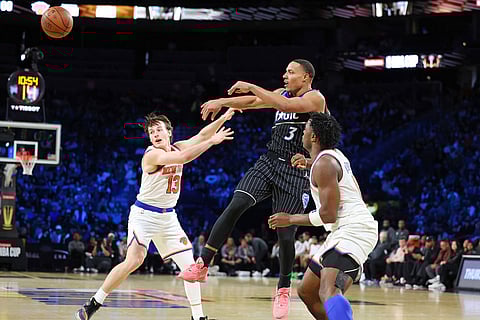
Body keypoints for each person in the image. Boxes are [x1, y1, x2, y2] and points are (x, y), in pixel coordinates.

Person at [178, 59, 326, 319]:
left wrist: (249, 85)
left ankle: (282, 288)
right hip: (269, 161)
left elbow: (285, 105)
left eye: (291, 72)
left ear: (306, 77)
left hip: (296, 168)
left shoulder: (315, 99)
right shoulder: (281, 93)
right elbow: (252, 102)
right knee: (236, 204)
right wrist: (221, 102)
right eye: (285, 71)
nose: (285, 75)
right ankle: (203, 263)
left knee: (285, 233)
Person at [75, 109, 236, 320]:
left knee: (191, 267)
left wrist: (224, 117)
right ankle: (93, 303)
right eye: (152, 132)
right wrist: (212, 143)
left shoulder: (177, 145)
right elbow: (185, 156)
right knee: (134, 261)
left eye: (159, 130)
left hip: (168, 217)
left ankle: (198, 318)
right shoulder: (152, 154)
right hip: (144, 215)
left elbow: (202, 135)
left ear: (169, 132)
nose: (155, 134)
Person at [268, 113, 378, 320]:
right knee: (307, 291)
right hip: (342, 230)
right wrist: (309, 163)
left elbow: (328, 215)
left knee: (328, 290)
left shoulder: (324, 164)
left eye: (307, 127)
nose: (303, 130)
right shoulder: (332, 156)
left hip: (354, 230)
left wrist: (290, 219)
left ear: (315, 137)